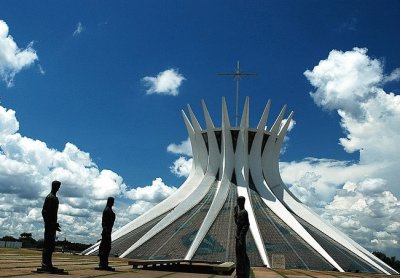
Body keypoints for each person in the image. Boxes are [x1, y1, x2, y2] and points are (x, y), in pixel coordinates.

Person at [41, 180, 62, 271]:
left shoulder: (55, 198)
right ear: (54, 186)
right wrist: (50, 223)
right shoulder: (50, 197)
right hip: (49, 225)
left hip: (52, 225)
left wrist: (55, 224)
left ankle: (48, 263)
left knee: (50, 245)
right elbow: (45, 212)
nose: (59, 188)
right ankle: (45, 264)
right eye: (58, 186)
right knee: (48, 244)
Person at [98, 197, 116, 271]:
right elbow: (104, 222)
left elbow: (111, 221)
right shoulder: (107, 210)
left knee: (107, 248)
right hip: (106, 232)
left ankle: (104, 263)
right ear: (109, 202)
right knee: (104, 248)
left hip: (108, 231)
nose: (113, 203)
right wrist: (106, 231)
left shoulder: (110, 210)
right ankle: (103, 263)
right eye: (112, 201)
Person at [234, 196, 250, 278]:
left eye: (238, 201)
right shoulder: (240, 212)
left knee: (241, 255)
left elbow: (246, 225)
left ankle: (242, 273)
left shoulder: (244, 212)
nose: (237, 203)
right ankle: (239, 273)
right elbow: (238, 223)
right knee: (238, 255)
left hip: (240, 239)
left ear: (242, 202)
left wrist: (241, 236)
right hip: (238, 238)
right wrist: (235, 214)